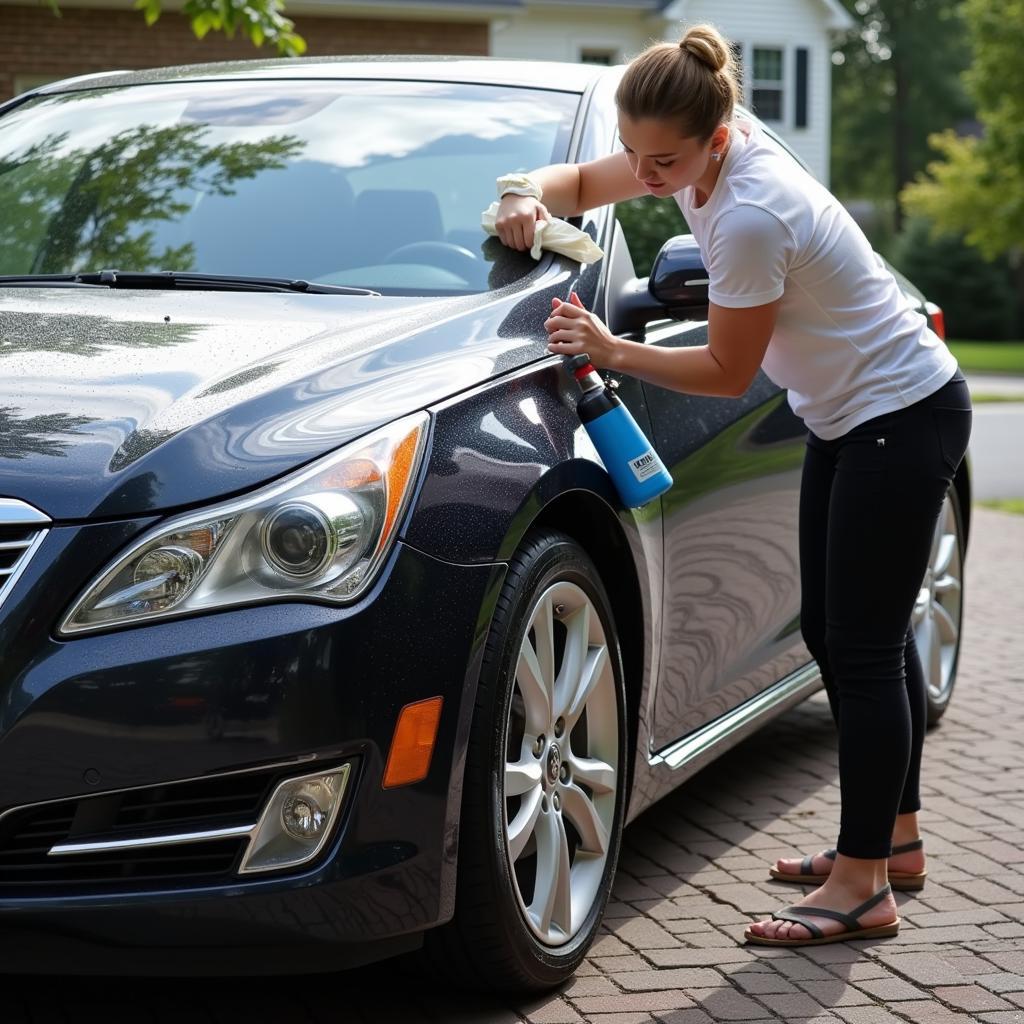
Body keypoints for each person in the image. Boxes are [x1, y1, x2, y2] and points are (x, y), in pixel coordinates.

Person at [492, 23, 972, 948]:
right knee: (835, 632)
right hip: (849, 414)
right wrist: (520, 196)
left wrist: (607, 348)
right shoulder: (695, 149)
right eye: (635, 152)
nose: (644, 171)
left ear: (718, 136)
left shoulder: (752, 212)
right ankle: (893, 843)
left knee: (863, 649)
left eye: (660, 159)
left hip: (900, 417)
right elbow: (582, 185)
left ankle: (863, 884)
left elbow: (722, 369)